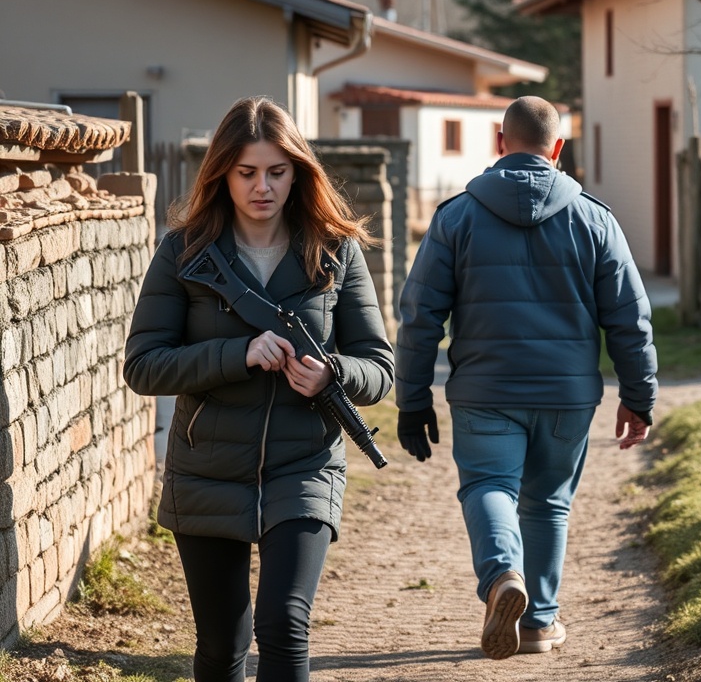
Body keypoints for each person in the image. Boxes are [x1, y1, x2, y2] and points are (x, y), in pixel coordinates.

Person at [123, 96, 394, 682]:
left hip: (306, 463)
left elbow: (379, 366)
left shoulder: (335, 249)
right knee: (223, 644)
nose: (262, 187)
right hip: (206, 469)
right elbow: (144, 366)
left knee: (284, 623)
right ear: (222, 173)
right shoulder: (184, 251)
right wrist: (237, 354)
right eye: (247, 172)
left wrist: (334, 374)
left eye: (277, 171)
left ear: (298, 172)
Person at [395, 95, 658, 660]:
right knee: (547, 504)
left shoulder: (455, 217)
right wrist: (639, 396)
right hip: (567, 397)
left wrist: (411, 400)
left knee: (489, 486)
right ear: (558, 148)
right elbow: (630, 318)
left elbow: (420, 317)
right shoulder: (596, 219)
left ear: (499, 142)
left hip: (485, 391)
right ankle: (538, 622)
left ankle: (499, 580)